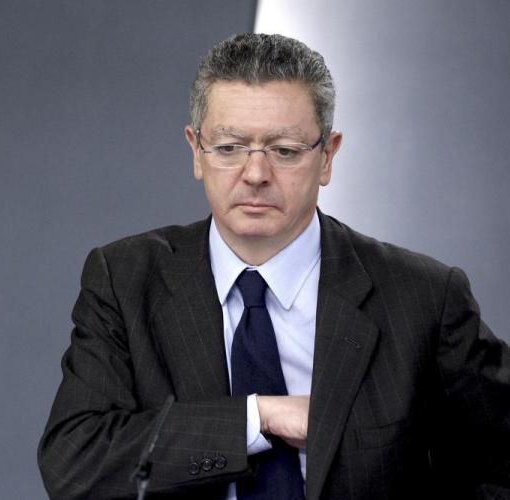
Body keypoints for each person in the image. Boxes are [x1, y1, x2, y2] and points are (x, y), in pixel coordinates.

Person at [37, 33, 510, 500]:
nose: (256, 174)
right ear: (196, 151)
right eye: (229, 148)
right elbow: (73, 464)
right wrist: (257, 418)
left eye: (284, 150)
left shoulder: (424, 298)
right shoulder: (124, 280)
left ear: (327, 157)